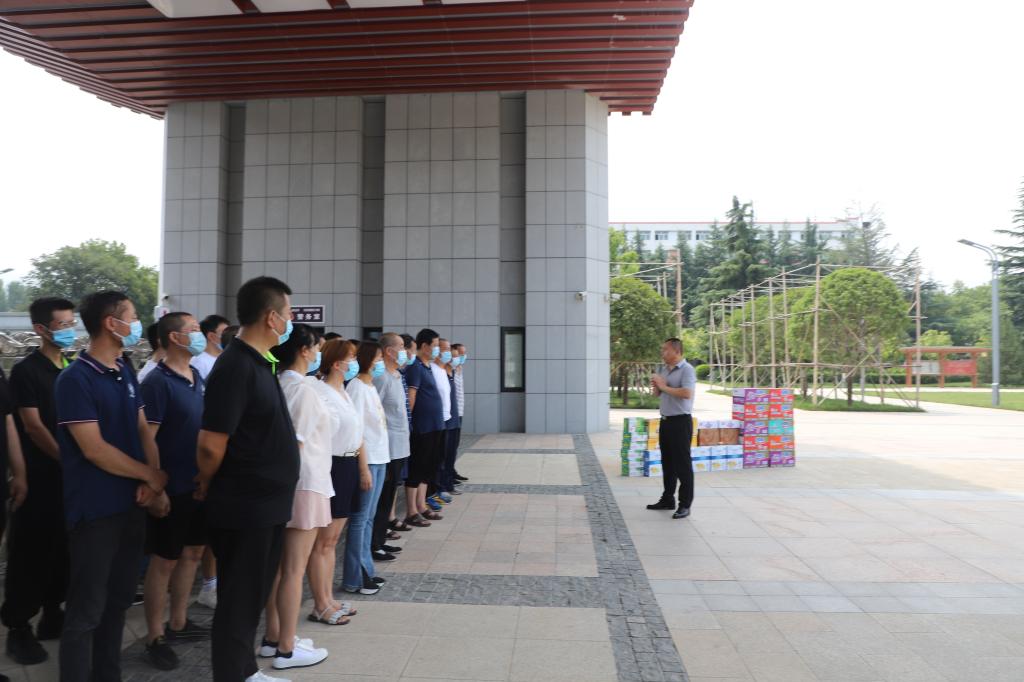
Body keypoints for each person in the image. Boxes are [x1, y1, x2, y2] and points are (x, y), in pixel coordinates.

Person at [55, 291, 169, 682]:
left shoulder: (124, 368)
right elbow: (94, 449)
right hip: (96, 511)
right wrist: (148, 476)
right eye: (132, 317)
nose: (136, 325)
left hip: (132, 505)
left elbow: (142, 429)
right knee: (86, 610)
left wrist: (153, 482)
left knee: (117, 603)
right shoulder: (75, 379)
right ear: (110, 323)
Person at [195, 277, 300, 682]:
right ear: (272, 317)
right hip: (245, 505)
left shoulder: (260, 362)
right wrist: (207, 480)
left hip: (266, 504)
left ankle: (246, 670)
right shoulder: (236, 366)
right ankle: (231, 674)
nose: (290, 321)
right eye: (288, 313)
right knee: (239, 599)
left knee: (252, 595)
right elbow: (211, 444)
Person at [2, 297, 74, 667]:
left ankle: (52, 611)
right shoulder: (26, 371)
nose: (70, 330)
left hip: (69, 481)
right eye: (63, 325)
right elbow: (31, 426)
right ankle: (18, 626)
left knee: (62, 550)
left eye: (72, 323)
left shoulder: (70, 367)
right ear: (41, 329)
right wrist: (67, 460)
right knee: (31, 553)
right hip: (40, 477)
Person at [139, 312, 211, 671]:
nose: (200, 335)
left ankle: (179, 622)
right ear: (173, 337)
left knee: (193, 554)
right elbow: (146, 438)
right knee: (164, 560)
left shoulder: (196, 376)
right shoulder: (157, 382)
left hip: (198, 485)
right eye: (193, 330)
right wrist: (156, 486)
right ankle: (155, 636)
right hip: (172, 487)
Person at [261, 324, 331, 670]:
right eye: (316, 347)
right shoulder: (301, 389)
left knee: (281, 568)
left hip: (292, 484)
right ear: (304, 350)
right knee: (293, 569)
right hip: (305, 483)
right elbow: (297, 445)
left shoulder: (281, 384)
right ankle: (287, 648)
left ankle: (274, 637)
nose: (318, 353)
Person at [307, 339, 362, 622]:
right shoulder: (320, 391)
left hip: (348, 463)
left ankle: (328, 598)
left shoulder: (343, 391)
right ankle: (320, 604)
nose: (355, 362)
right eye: (351, 357)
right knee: (324, 541)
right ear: (337, 363)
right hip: (332, 465)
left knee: (333, 540)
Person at [341, 341, 389, 594]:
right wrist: (362, 468)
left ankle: (367, 569)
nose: (380, 363)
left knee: (369, 517)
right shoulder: (357, 387)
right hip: (367, 459)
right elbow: (356, 430)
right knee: (360, 519)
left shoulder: (370, 386)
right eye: (378, 358)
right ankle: (354, 577)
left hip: (380, 457)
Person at [370, 332, 410, 559]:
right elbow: (374, 412)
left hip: (400, 444)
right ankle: (375, 544)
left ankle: (380, 539)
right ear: (388, 351)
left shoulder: (396, 375)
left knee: (389, 495)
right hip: (388, 446)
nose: (405, 351)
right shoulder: (382, 377)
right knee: (383, 497)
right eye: (401, 346)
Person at [648, 338, 697, 520]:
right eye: (662, 349)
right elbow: (658, 394)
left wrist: (663, 386)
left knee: (682, 465)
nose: (663, 352)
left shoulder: (687, 369)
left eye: (666, 349)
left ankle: (685, 505)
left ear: (677, 351)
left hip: (681, 422)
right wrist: (656, 387)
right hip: (666, 421)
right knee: (667, 463)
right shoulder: (664, 369)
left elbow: (686, 393)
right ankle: (668, 499)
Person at [403, 329, 445, 527]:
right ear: (425, 345)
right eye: (435, 345)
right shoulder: (415, 367)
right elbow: (411, 396)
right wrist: (409, 423)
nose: (437, 349)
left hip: (435, 426)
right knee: (417, 468)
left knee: (428, 467)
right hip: (422, 427)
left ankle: (421, 505)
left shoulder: (428, 367)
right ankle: (411, 510)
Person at [430, 339, 457, 506]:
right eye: (445, 349)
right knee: (435, 459)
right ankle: (434, 490)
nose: (448, 352)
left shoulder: (443, 370)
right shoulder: (432, 369)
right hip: (436, 420)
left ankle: (439, 488)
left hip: (446, 419)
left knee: (442, 456)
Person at [191, 314, 230, 381]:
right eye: (224, 334)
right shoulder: (199, 362)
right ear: (211, 336)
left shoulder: (227, 358)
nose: (228, 337)